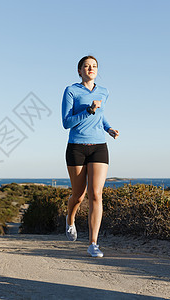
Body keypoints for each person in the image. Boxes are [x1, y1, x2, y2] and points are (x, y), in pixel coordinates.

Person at [61, 55, 119, 257]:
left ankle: (93, 243)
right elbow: (66, 123)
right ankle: (70, 219)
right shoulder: (71, 91)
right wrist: (89, 109)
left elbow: (100, 116)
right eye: (86, 66)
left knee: (96, 194)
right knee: (79, 195)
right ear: (79, 71)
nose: (90, 68)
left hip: (99, 146)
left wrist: (109, 128)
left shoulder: (104, 92)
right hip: (76, 147)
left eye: (94, 66)